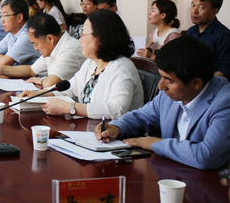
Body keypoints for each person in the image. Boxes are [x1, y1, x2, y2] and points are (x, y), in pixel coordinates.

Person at [97, 36, 230, 171]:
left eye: (169, 80)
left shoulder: (225, 103)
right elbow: (141, 117)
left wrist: (156, 144)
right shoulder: (170, 94)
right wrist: (117, 127)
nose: (161, 86)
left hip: (207, 181)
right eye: (161, 76)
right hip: (170, 174)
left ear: (196, 83)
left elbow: (206, 156)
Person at [18, 10, 143, 119]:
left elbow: (117, 110)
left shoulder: (122, 68)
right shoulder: (91, 63)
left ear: (101, 38)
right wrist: (38, 94)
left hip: (118, 137)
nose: (79, 39)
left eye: (83, 34)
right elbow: (71, 90)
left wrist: (70, 108)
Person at [0, 13, 86, 89]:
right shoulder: (54, 46)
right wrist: (1, 70)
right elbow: (31, 70)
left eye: (36, 44)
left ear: (50, 38)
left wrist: (41, 80)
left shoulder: (69, 50)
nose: (35, 48)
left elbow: (50, 83)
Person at [0, 0, 39, 67]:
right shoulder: (12, 34)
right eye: (1, 16)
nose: (2, 20)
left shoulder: (27, 35)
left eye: (5, 16)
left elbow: (4, 62)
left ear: (19, 17)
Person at [187, 0, 230, 78]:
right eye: (193, 5)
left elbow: (225, 71)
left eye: (201, 7)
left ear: (215, 11)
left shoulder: (223, 35)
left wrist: (200, 81)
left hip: (212, 83)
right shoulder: (191, 32)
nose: (194, 11)